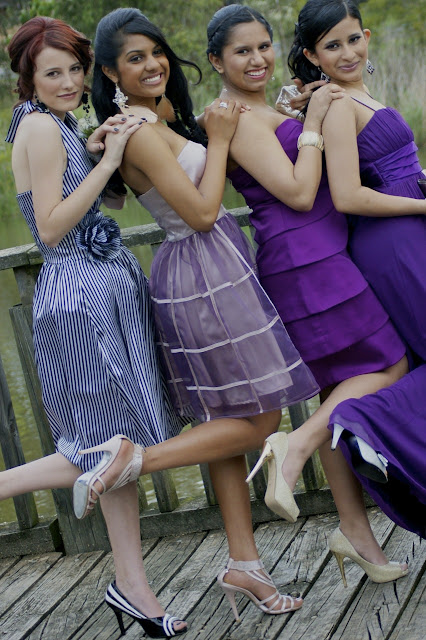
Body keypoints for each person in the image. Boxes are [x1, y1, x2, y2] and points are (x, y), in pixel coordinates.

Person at [75, 6, 323, 625]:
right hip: (202, 270)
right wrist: (218, 140)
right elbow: (204, 212)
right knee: (260, 419)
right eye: (134, 59)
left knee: (228, 422)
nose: (153, 64)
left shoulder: (149, 117)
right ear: (110, 73)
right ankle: (135, 459)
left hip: (210, 267)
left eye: (156, 52)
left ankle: (245, 564)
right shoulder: (137, 128)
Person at [204, 3, 414, 585]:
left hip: (321, 251)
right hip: (304, 259)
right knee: (392, 364)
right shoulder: (235, 118)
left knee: (334, 392)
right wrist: (316, 120)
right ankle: (293, 446)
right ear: (217, 61)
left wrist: (300, 114)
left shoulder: (264, 110)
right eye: (241, 51)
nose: (257, 59)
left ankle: (355, 533)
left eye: (263, 46)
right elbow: (298, 192)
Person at [3, 15, 189, 638]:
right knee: (101, 450)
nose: (67, 82)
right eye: (51, 72)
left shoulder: (54, 125)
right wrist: (107, 160)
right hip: (79, 296)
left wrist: (93, 149)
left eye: (74, 70)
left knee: (114, 445)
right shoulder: (38, 125)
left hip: (98, 290)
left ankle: (133, 589)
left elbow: (92, 201)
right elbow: (52, 228)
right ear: (28, 78)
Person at [287, 0, 426, 541]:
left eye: (352, 39)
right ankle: (363, 422)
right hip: (392, 243)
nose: (346, 53)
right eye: (332, 45)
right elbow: (347, 195)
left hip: (408, 231)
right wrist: (421, 204)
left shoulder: (360, 93)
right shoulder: (338, 104)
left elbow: (395, 166)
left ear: (366, 36)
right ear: (312, 55)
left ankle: (370, 427)